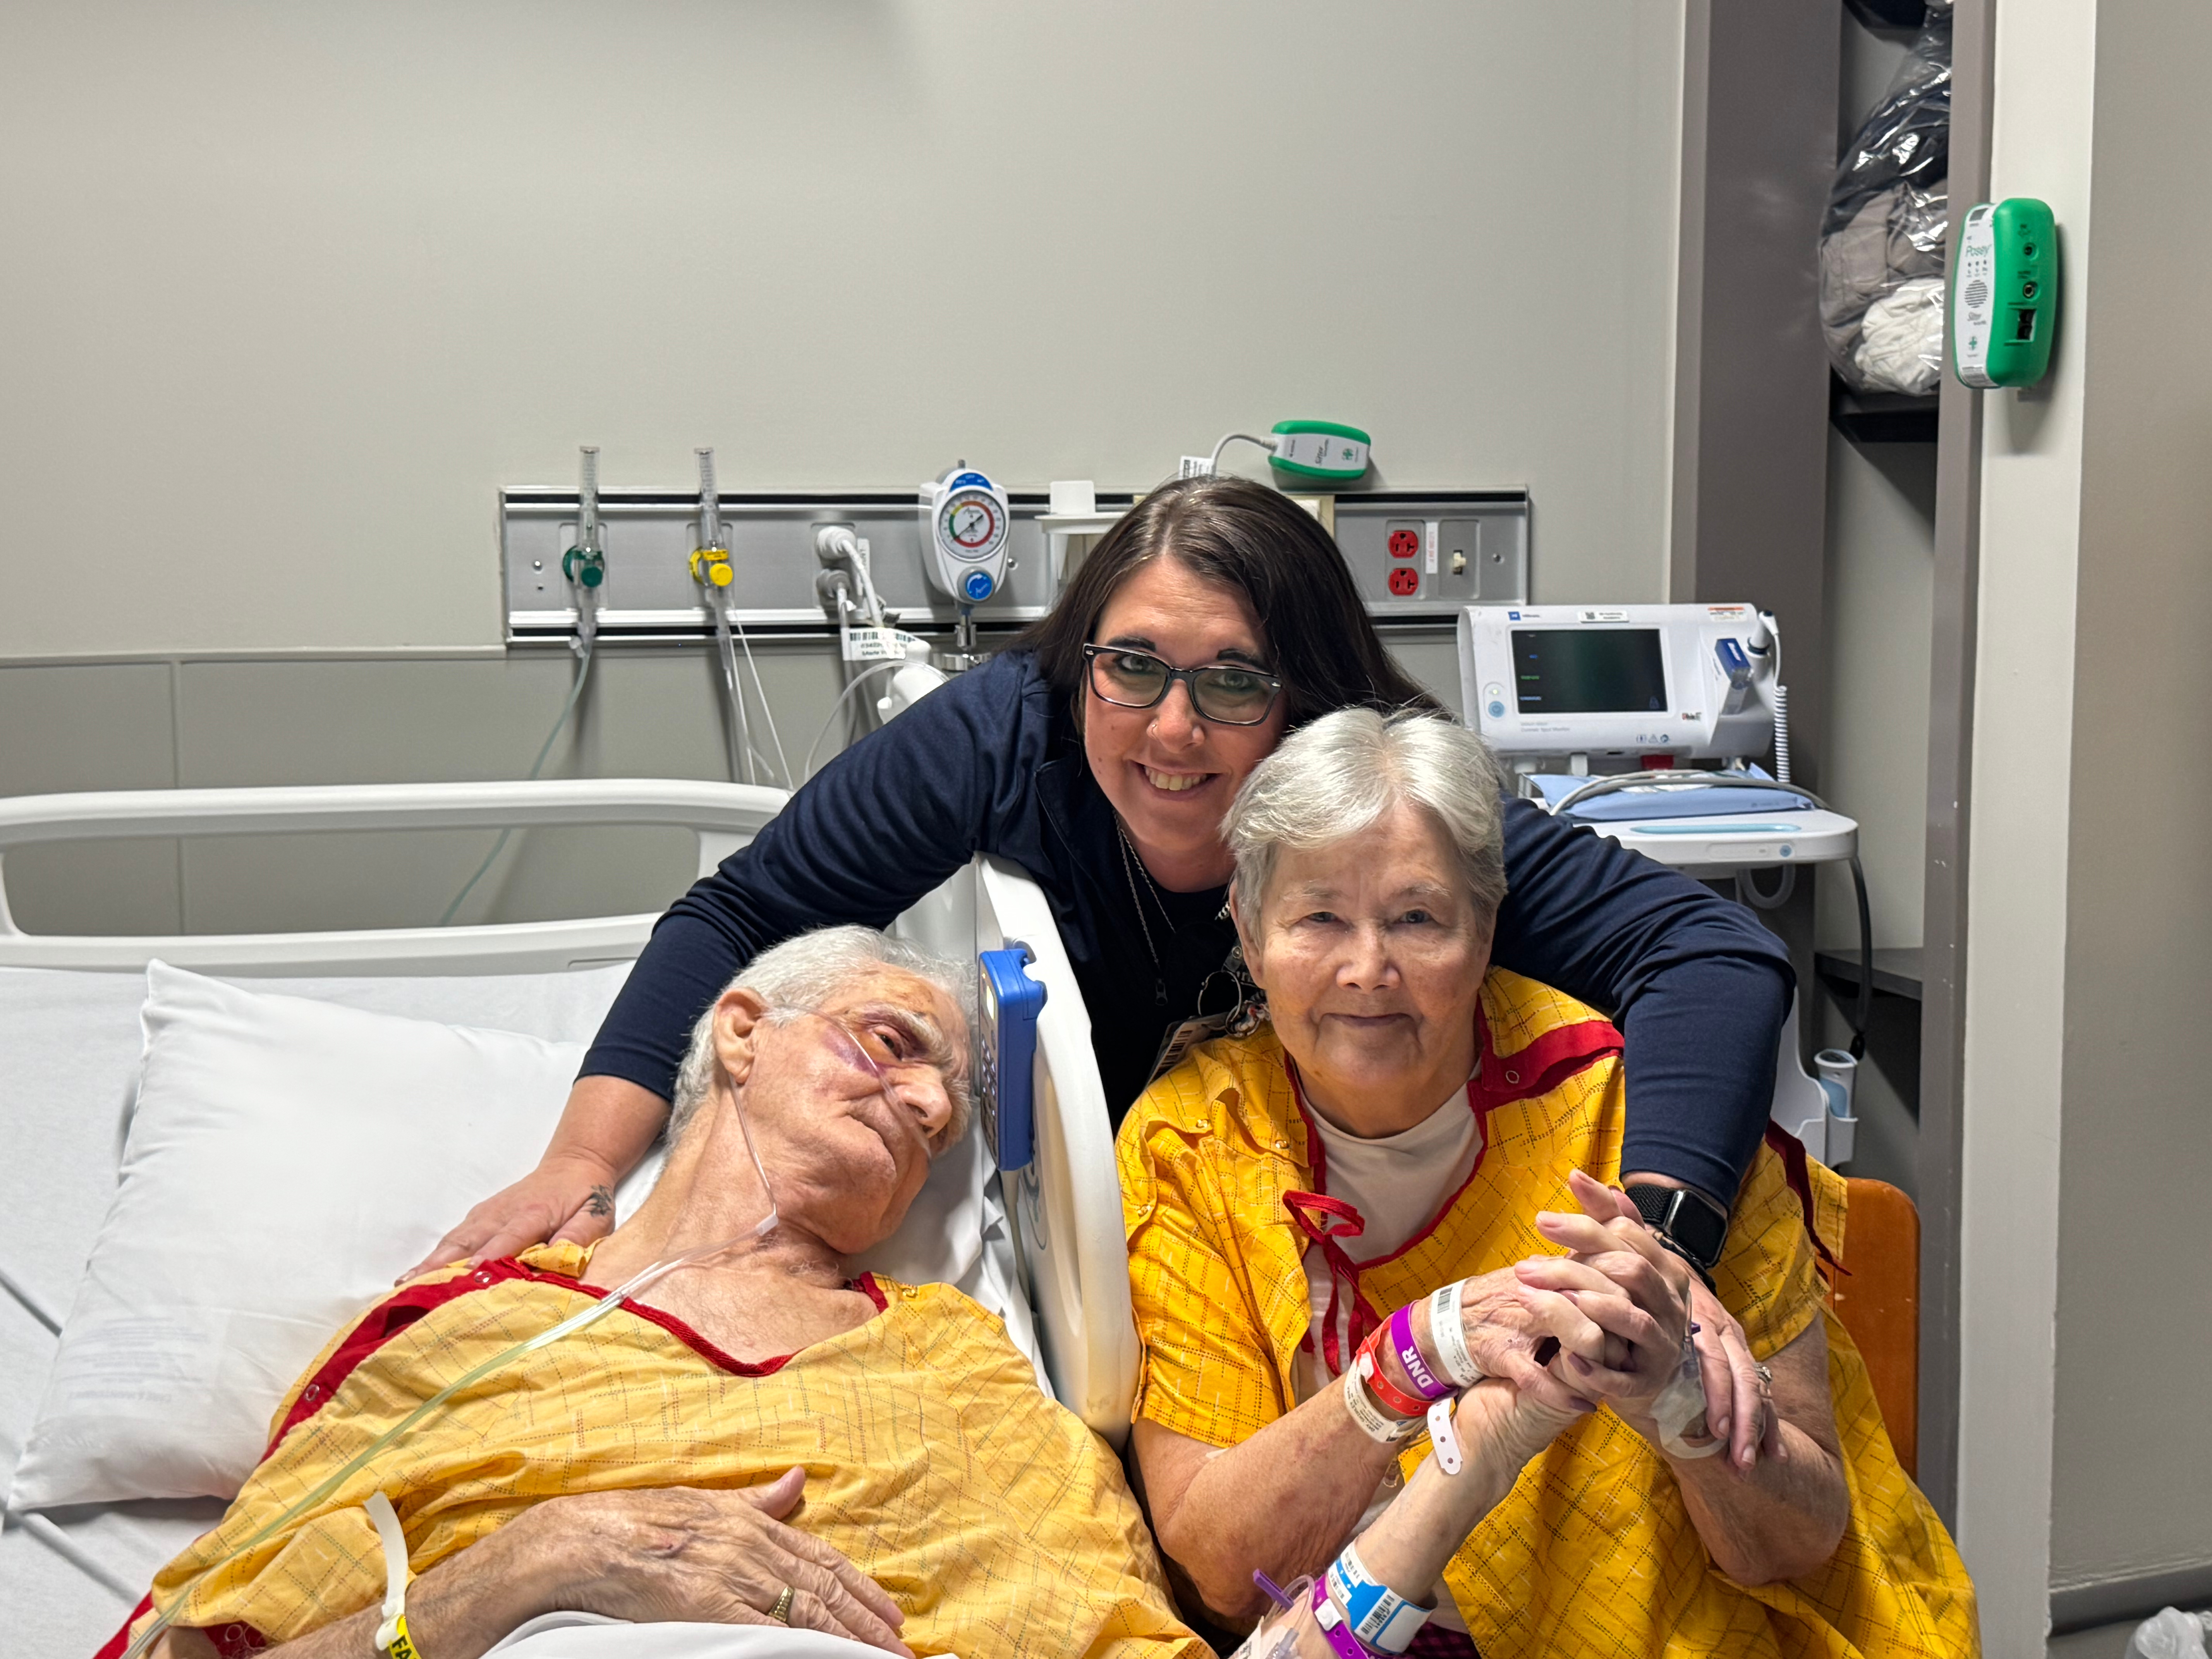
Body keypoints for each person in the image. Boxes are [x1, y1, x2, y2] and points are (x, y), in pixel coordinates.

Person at [417, 475, 1799, 1444]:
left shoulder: (1390, 809)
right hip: (1188, 1240)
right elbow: (732, 919)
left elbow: (1709, 954)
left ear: (1309, 700)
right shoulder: (999, 737)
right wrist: (580, 1164)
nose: (1171, 730)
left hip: (1398, 1250)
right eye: (1129, 666)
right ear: (1078, 661)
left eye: (1234, 681)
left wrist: (1654, 1243)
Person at [1118, 710, 1977, 1657]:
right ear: (1248, 925)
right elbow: (1222, 1569)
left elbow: (1798, 1539)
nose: (1368, 971)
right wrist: (1422, 1353)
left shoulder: (1641, 1116)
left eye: (1417, 918)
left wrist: (1679, 1400)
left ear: (1486, 926)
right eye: (1320, 917)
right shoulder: (1193, 1140)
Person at [112, 928, 1204, 1659]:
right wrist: (542, 1558)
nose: (923, 1101)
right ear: (742, 1032)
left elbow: (1105, 1621)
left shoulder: (955, 1360)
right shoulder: (464, 1326)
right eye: (891, 1044)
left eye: (944, 1118)